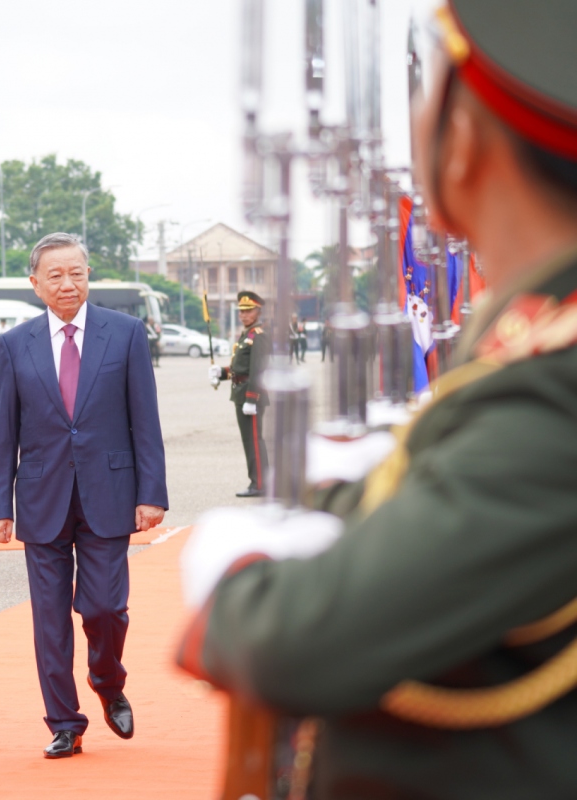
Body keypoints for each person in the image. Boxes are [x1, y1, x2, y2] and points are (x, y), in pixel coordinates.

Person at [178, 2, 577, 795]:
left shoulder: (550, 393)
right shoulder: (530, 348)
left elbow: (297, 644)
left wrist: (240, 575)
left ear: (462, 143)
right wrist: (342, 498)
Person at [0, 232, 168, 759]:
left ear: (89, 276)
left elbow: (144, 422)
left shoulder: (126, 333)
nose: (68, 284)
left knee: (106, 608)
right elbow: (4, 432)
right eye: (56, 276)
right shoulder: (15, 344)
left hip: (109, 493)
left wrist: (151, 493)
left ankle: (108, 681)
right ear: (35, 283)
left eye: (77, 273)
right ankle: (64, 720)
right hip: (41, 498)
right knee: (49, 619)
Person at [209, 291, 269, 497]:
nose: (244, 315)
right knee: (249, 441)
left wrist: (252, 398)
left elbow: (258, 369)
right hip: (240, 394)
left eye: (248, 311)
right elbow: (240, 368)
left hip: (250, 396)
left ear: (258, 311)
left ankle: (260, 484)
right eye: (241, 312)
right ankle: (258, 482)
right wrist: (222, 372)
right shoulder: (247, 334)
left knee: (254, 440)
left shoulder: (258, 335)